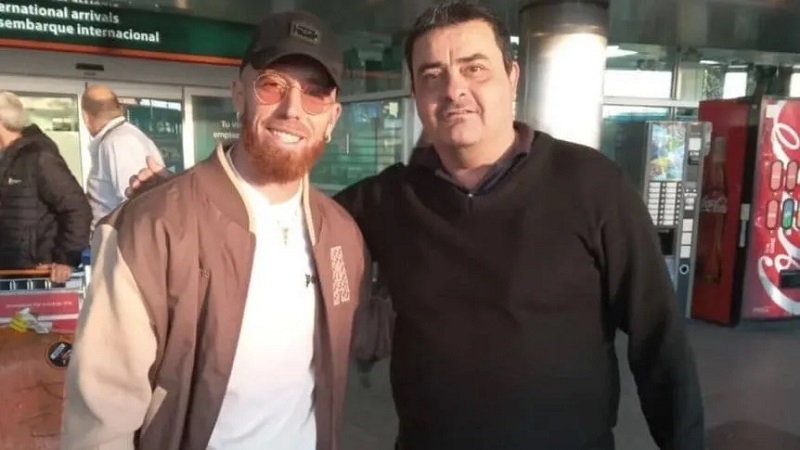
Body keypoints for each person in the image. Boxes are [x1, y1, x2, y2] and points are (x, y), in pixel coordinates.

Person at [127, 2, 705, 449]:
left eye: (474, 68)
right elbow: (278, 210)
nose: (454, 89)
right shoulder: (390, 199)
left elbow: (659, 342)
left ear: (512, 76)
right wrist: (175, 195)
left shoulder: (591, 185)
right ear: (416, 93)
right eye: (433, 74)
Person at [62, 11, 377, 450]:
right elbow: (100, 426)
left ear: (333, 116)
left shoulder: (340, 235)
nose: (292, 109)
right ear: (239, 94)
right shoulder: (151, 229)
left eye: (315, 93)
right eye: (272, 85)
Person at [0, 91, 91, 283]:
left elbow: (77, 207)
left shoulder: (39, 156)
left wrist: (65, 259)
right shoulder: (5, 159)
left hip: (36, 275)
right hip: (8, 274)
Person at [81, 84, 164, 227]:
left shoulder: (118, 141)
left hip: (116, 238)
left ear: (86, 117)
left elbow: (135, 206)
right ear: (120, 109)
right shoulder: (124, 136)